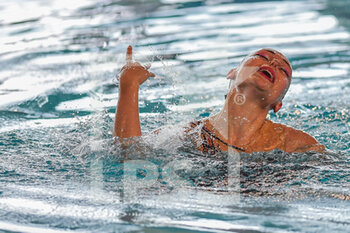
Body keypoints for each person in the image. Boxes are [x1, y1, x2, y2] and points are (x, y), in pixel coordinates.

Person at [113, 45, 325, 153]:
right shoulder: (189, 135)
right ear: (232, 73)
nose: (274, 63)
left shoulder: (294, 143)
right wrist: (128, 87)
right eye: (263, 56)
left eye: (284, 70)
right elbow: (129, 154)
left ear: (278, 104)